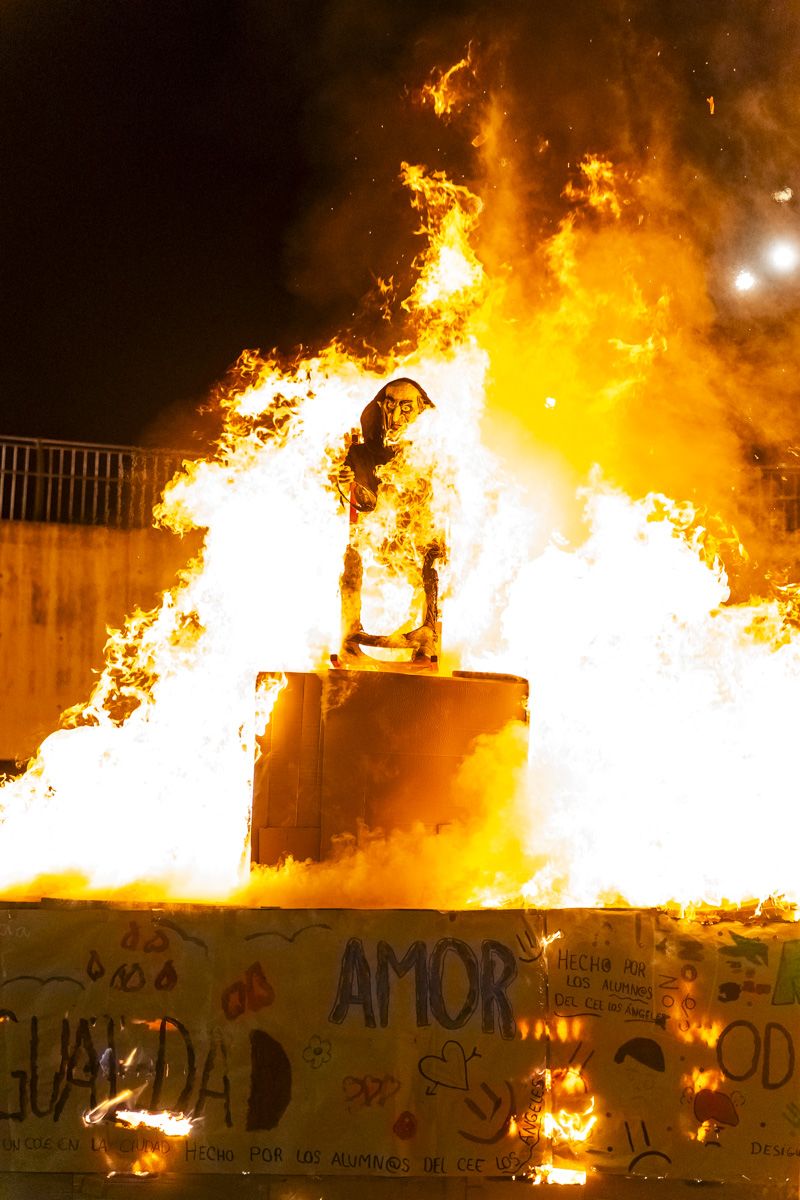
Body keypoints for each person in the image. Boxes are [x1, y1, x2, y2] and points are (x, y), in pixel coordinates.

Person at [336, 377, 442, 665]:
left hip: (419, 532)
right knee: (353, 555)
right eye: (390, 406)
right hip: (379, 532)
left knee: (433, 552)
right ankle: (351, 632)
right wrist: (351, 482)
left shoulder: (433, 451)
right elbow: (367, 505)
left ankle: (427, 632)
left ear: (422, 410)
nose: (396, 417)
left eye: (406, 408)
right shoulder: (364, 452)